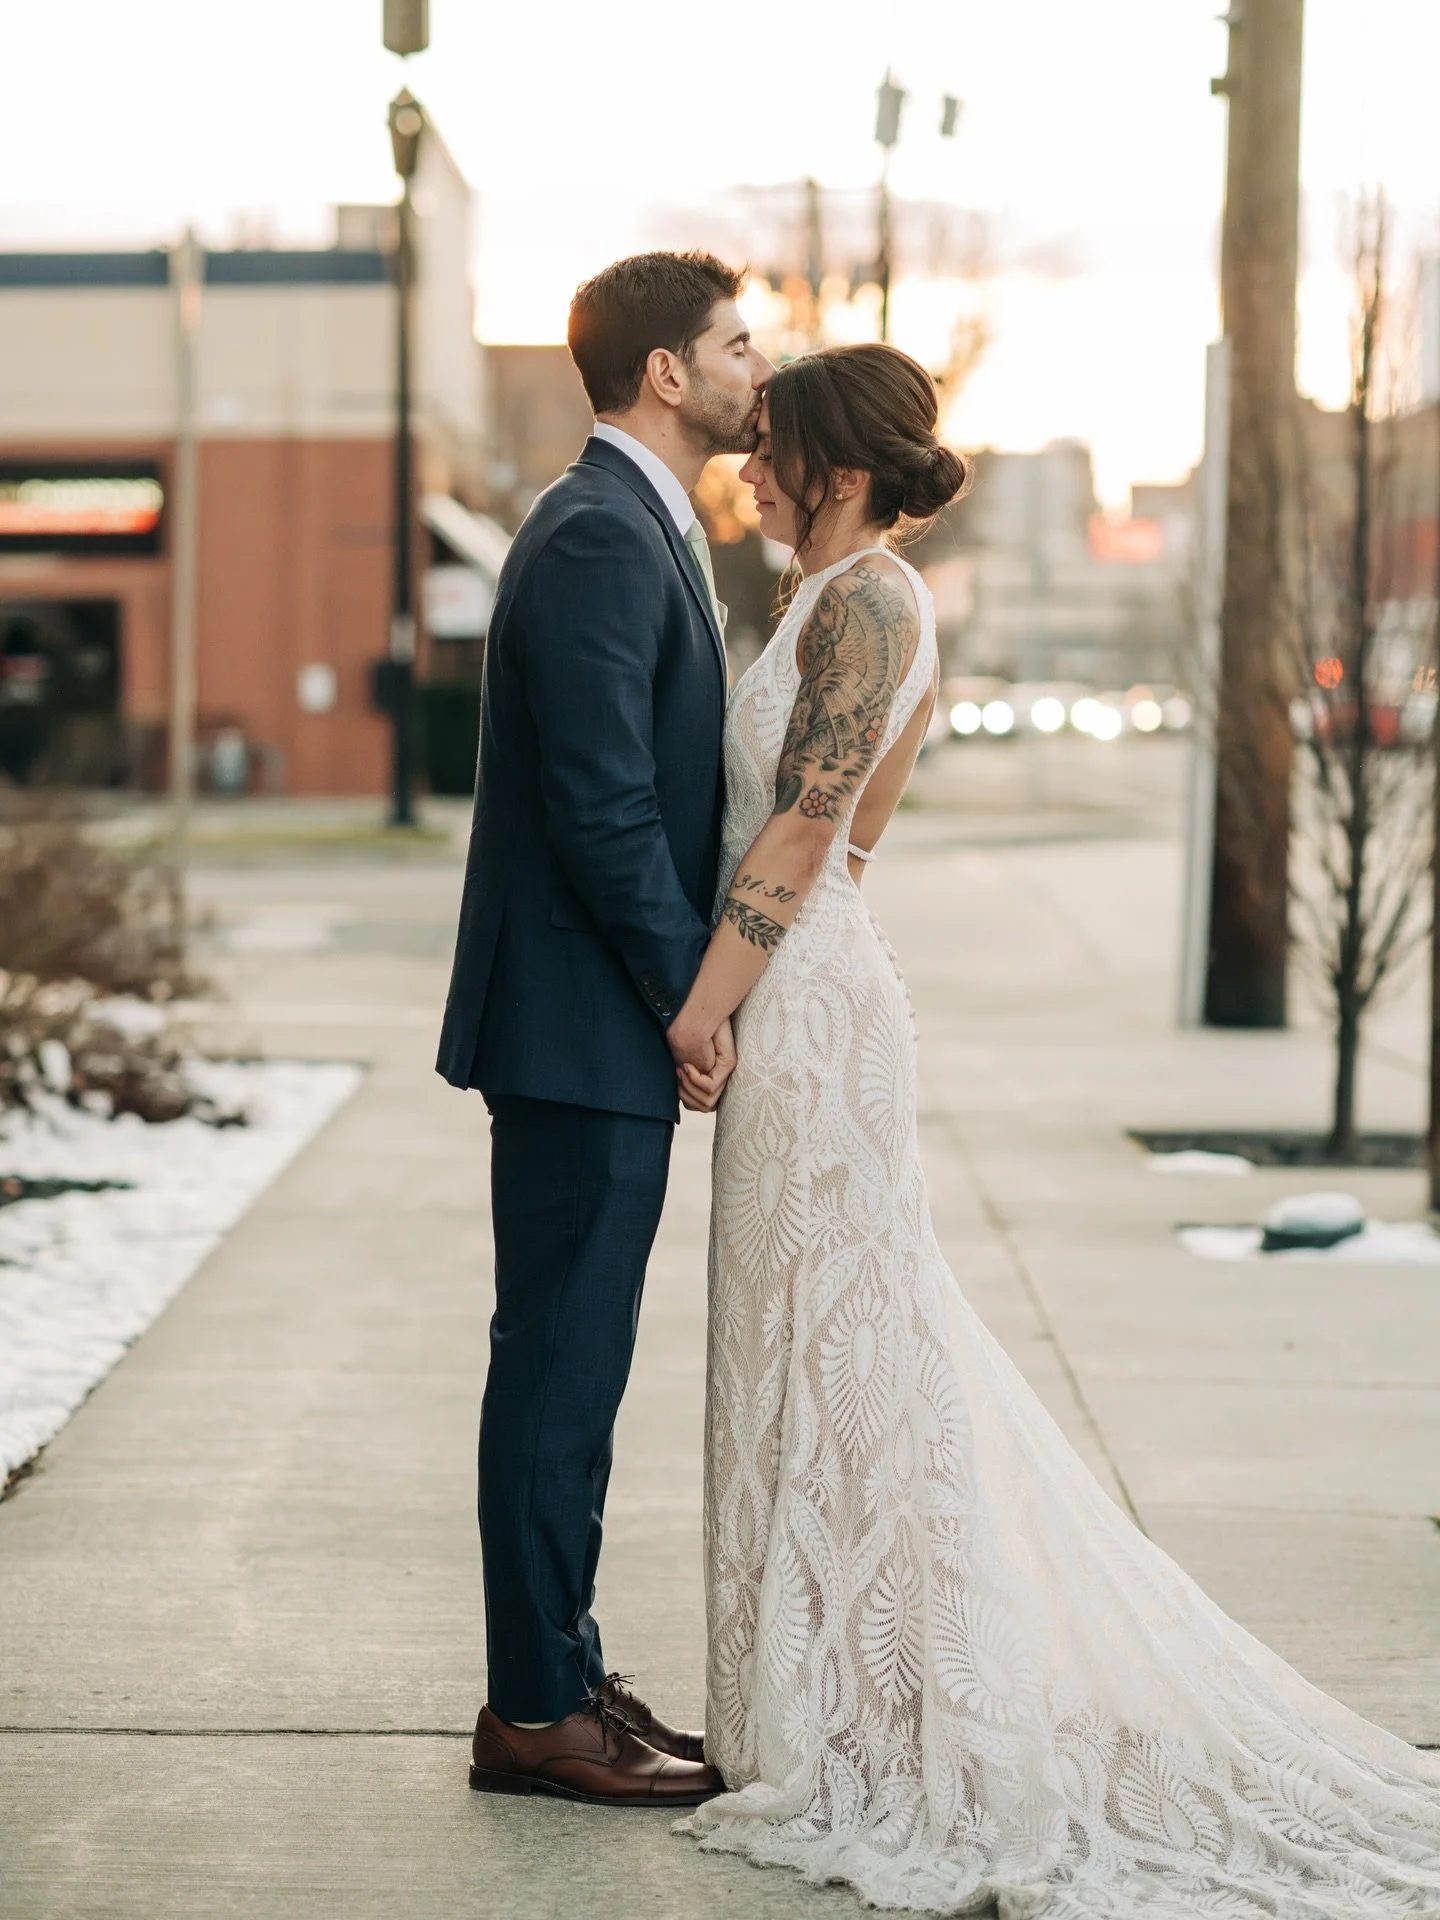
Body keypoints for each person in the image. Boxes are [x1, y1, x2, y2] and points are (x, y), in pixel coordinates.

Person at [672, 341, 1440, 1913]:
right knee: (806, 1346)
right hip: (791, 991)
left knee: (854, 1350)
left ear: (842, 463)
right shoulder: (818, 598)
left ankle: (895, 1701)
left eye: (772, 446)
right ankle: (837, 1696)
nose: (748, 464)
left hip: (812, 1007)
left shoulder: (876, 599)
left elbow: (811, 823)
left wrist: (709, 1003)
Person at [437, 251, 770, 1806]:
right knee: (560, 1367)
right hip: (580, 1024)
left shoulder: (641, 524)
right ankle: (532, 1709)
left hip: (592, 1027)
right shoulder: (594, 535)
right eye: (733, 343)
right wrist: (688, 1005)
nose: (755, 367)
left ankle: (558, 1670)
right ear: (662, 373)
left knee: (577, 1365)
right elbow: (603, 808)